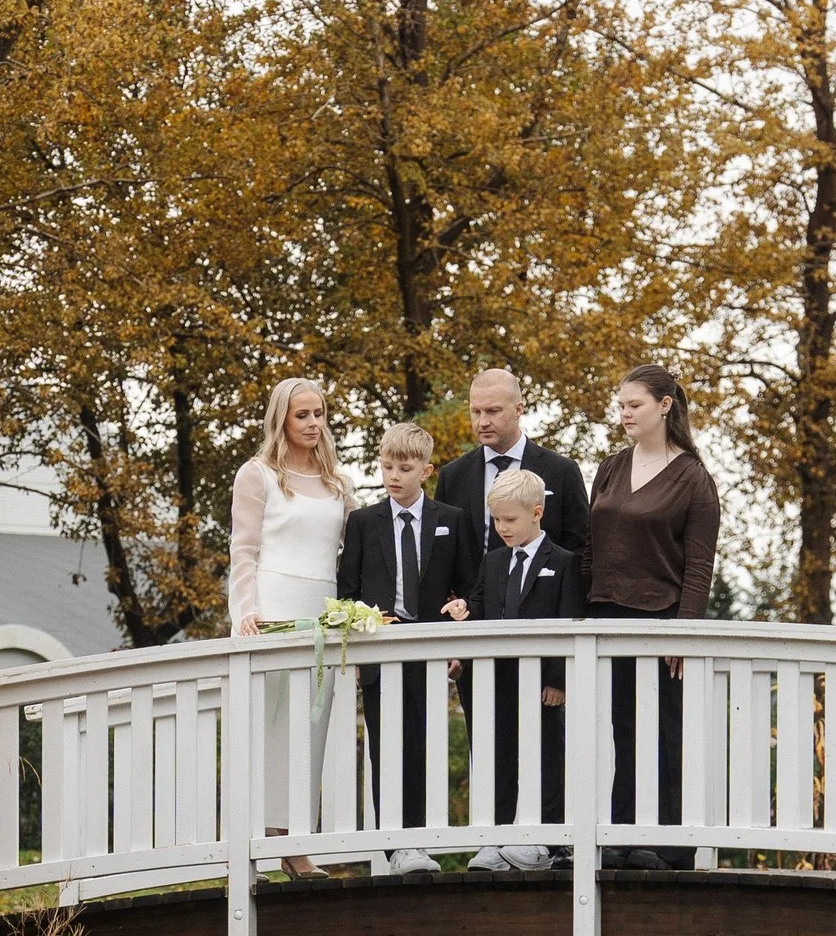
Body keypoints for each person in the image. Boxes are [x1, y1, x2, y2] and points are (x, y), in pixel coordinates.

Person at [586, 363, 720, 870]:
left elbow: (699, 564)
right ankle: (620, 838)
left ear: (665, 406)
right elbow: (590, 549)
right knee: (621, 730)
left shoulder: (693, 478)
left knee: (662, 731)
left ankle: (667, 846)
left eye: (634, 405)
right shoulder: (611, 467)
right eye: (620, 406)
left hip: (660, 621)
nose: (624, 414)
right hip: (605, 619)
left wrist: (683, 630)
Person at [338, 422, 478, 873]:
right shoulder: (362, 522)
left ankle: (419, 841)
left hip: (431, 651)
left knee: (424, 746)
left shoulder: (452, 521)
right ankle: (396, 845)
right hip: (380, 650)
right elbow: (347, 589)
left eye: (404, 467)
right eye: (386, 467)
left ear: (426, 469)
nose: (393, 475)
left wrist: (461, 625)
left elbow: (468, 585)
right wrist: (359, 633)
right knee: (385, 747)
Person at [465, 466, 582, 872]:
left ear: (537, 512)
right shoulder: (493, 561)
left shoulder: (564, 562)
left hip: (542, 686)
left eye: (510, 519)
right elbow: (481, 606)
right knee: (500, 758)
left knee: (546, 756)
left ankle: (548, 841)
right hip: (499, 681)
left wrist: (558, 680)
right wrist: (465, 609)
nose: (502, 528)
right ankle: (496, 839)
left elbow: (569, 621)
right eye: (496, 519)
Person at [229, 374, 352, 634]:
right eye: (302, 415)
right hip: (270, 605)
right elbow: (243, 551)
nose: (314, 423)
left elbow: (362, 547)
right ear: (281, 419)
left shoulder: (339, 483)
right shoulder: (257, 474)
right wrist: (246, 611)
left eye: (318, 414)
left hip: (325, 606)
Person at [437, 363, 591, 565]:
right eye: (476, 412)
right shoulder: (453, 476)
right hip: (471, 595)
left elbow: (580, 549)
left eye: (493, 411)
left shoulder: (562, 471)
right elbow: (443, 549)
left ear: (519, 409)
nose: (482, 422)